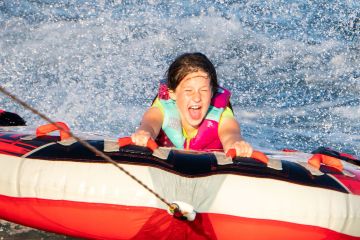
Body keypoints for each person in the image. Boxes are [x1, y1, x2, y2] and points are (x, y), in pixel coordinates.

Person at [131, 52, 253, 157]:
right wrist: (144, 133)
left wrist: (236, 143)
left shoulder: (222, 114)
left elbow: (231, 134)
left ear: (212, 92)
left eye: (204, 91)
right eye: (188, 91)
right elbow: (150, 124)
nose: (197, 98)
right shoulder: (162, 108)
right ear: (173, 93)